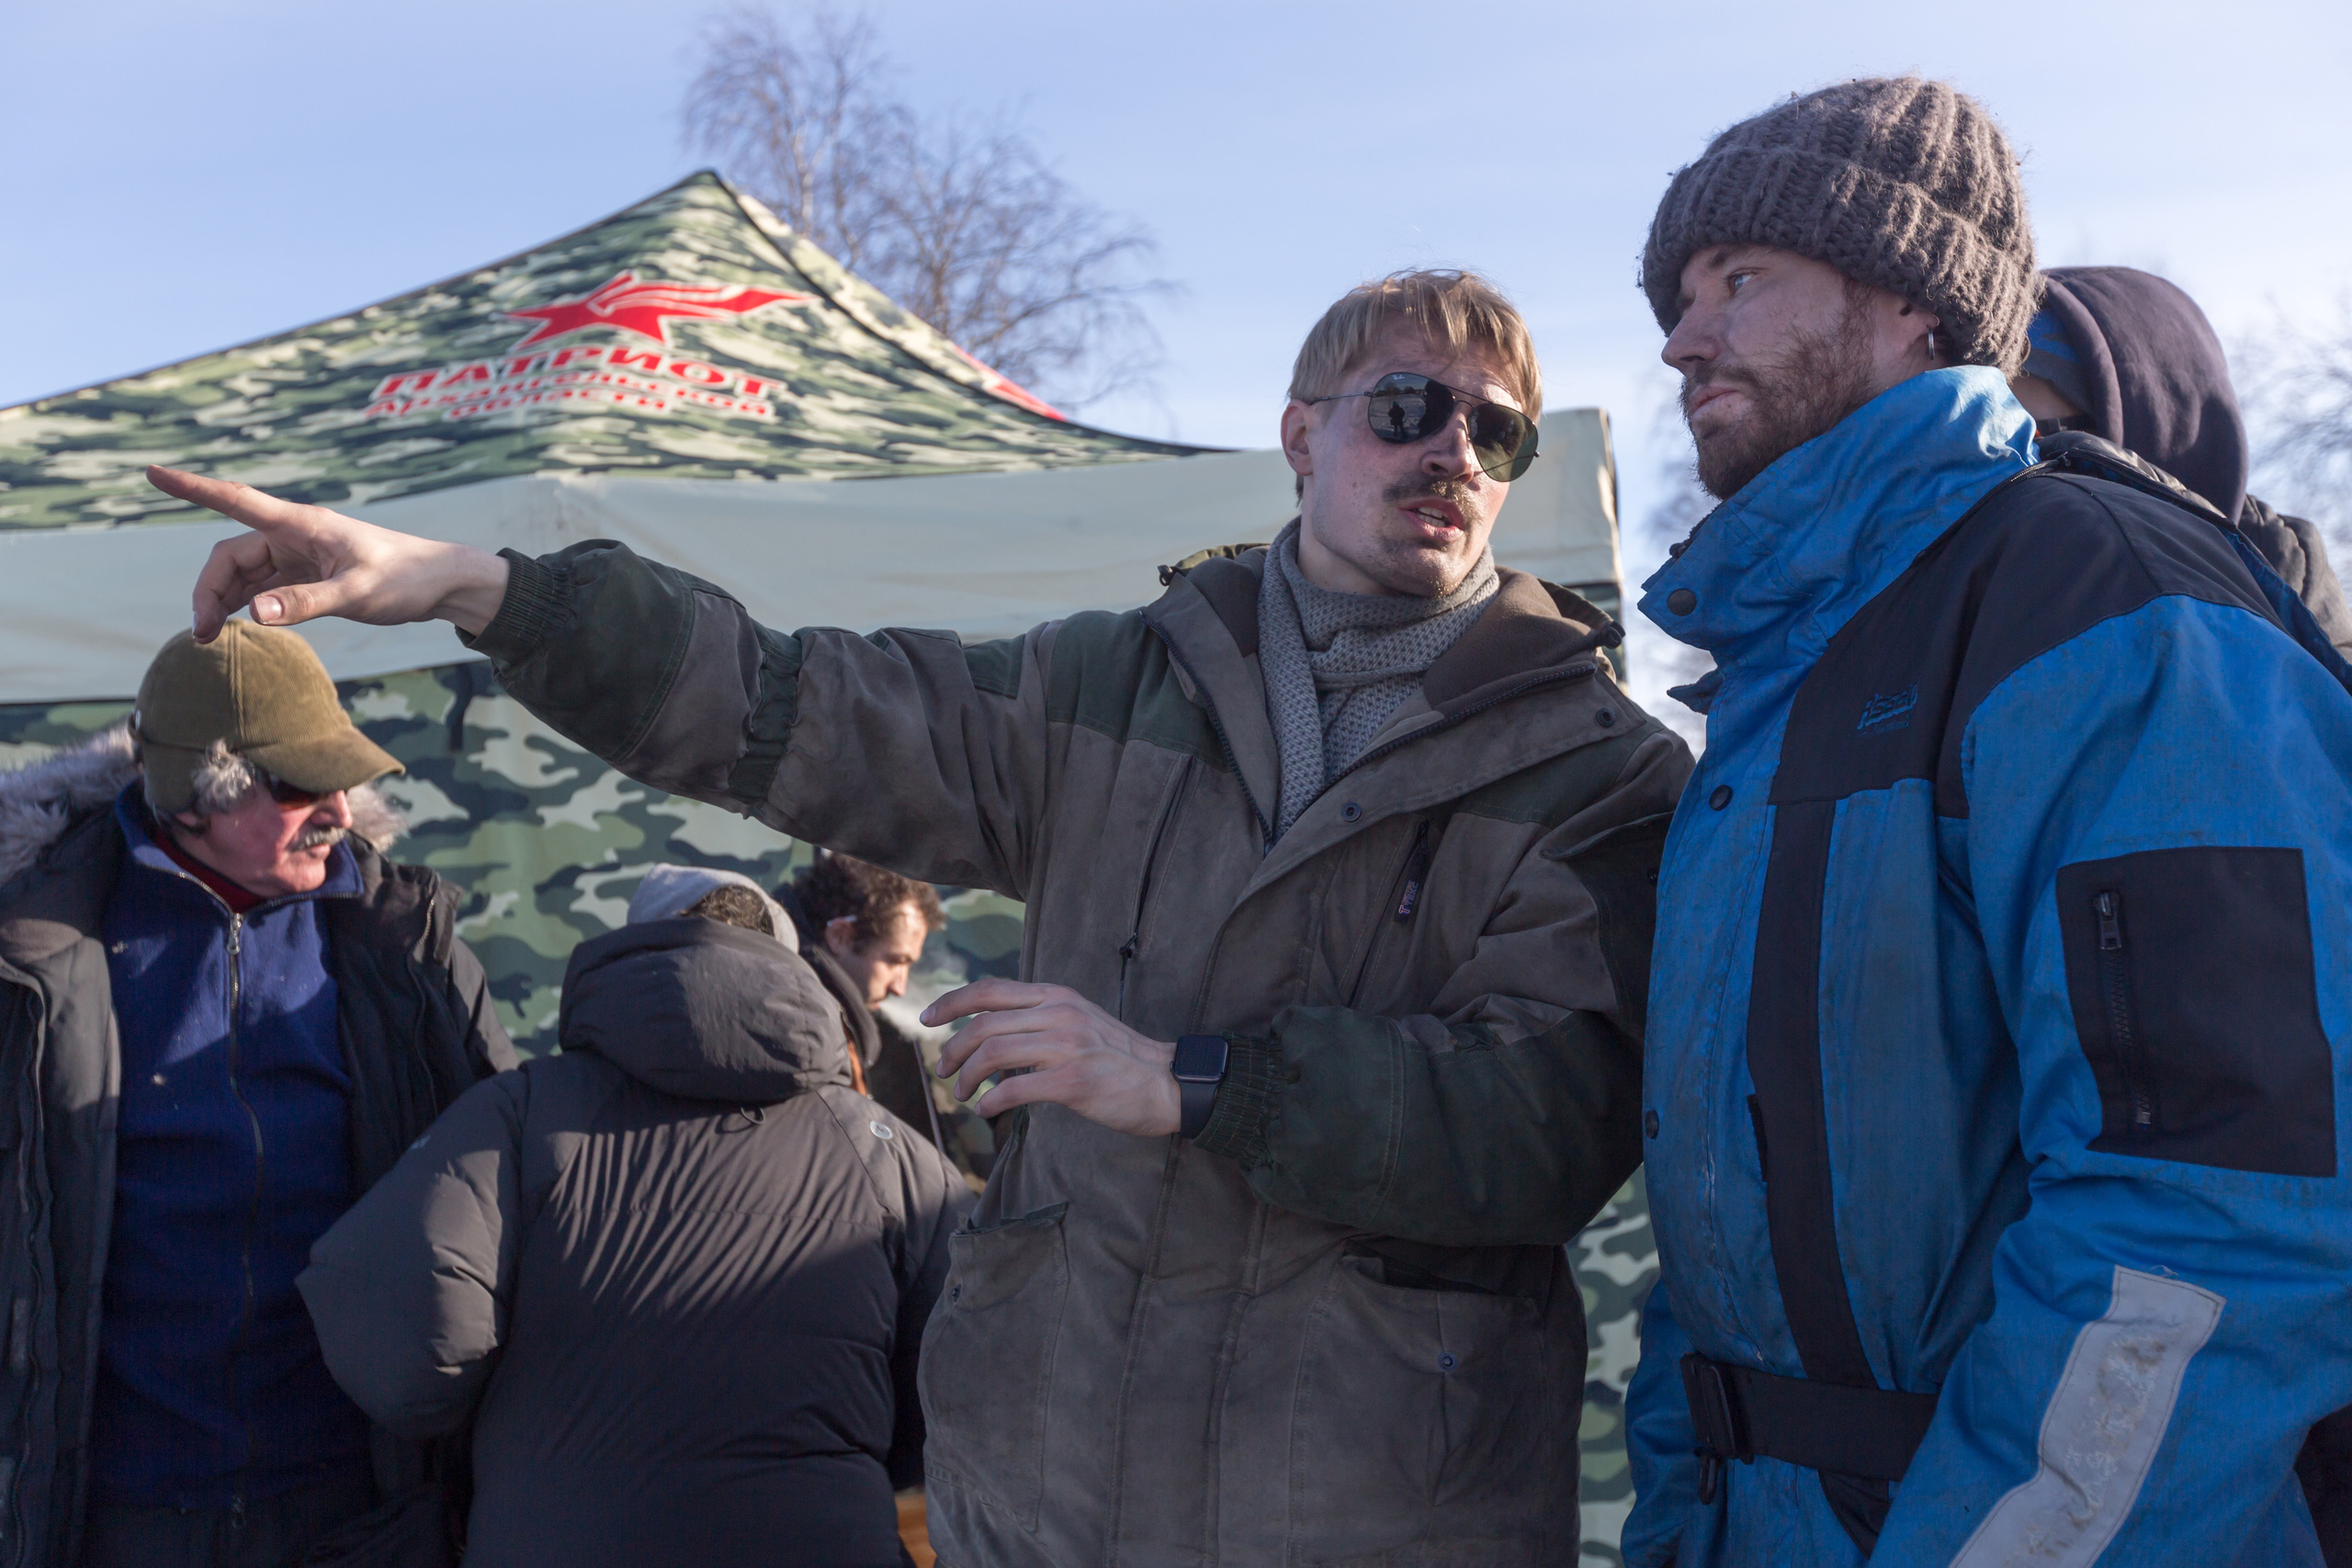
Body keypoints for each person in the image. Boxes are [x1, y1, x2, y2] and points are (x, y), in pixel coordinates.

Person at [150, 265, 1692, 1565]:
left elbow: (1551, 1117)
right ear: (1301, 435)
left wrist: (1187, 1081)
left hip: (1377, 1503)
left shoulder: (1593, 762)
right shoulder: (1113, 681)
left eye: (1494, 430)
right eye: (1408, 408)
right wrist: (475, 587)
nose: (1456, 455)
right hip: (1053, 1494)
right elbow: (787, 700)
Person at [1622, 76, 2352, 1566]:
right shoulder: (1775, 667)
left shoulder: (2094, 596)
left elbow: (2218, 1211)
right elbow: (1719, 1231)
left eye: (1741, 283)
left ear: (1916, 306)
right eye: (1681, 298)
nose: (1685, 337)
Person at [0, 622, 515, 1568]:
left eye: (340, 780)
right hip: (108, 1513)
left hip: (359, 1504)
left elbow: (516, 1188)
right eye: (294, 785)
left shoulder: (404, 948)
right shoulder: (31, 952)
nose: (334, 812)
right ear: (189, 797)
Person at [297, 863, 965, 1567]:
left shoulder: (516, 1116)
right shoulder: (888, 1154)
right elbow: (969, 1371)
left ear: (633, 952)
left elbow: (402, 1350)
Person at [2011, 264, 2352, 654]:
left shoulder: (2284, 590)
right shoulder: (1970, 577)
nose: (1998, 460)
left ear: (2157, 429)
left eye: (2034, 438)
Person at [779, 852, 997, 1187]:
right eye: (895, 961)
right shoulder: (798, 1022)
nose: (900, 986)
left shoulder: (801, 1000)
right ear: (839, 936)